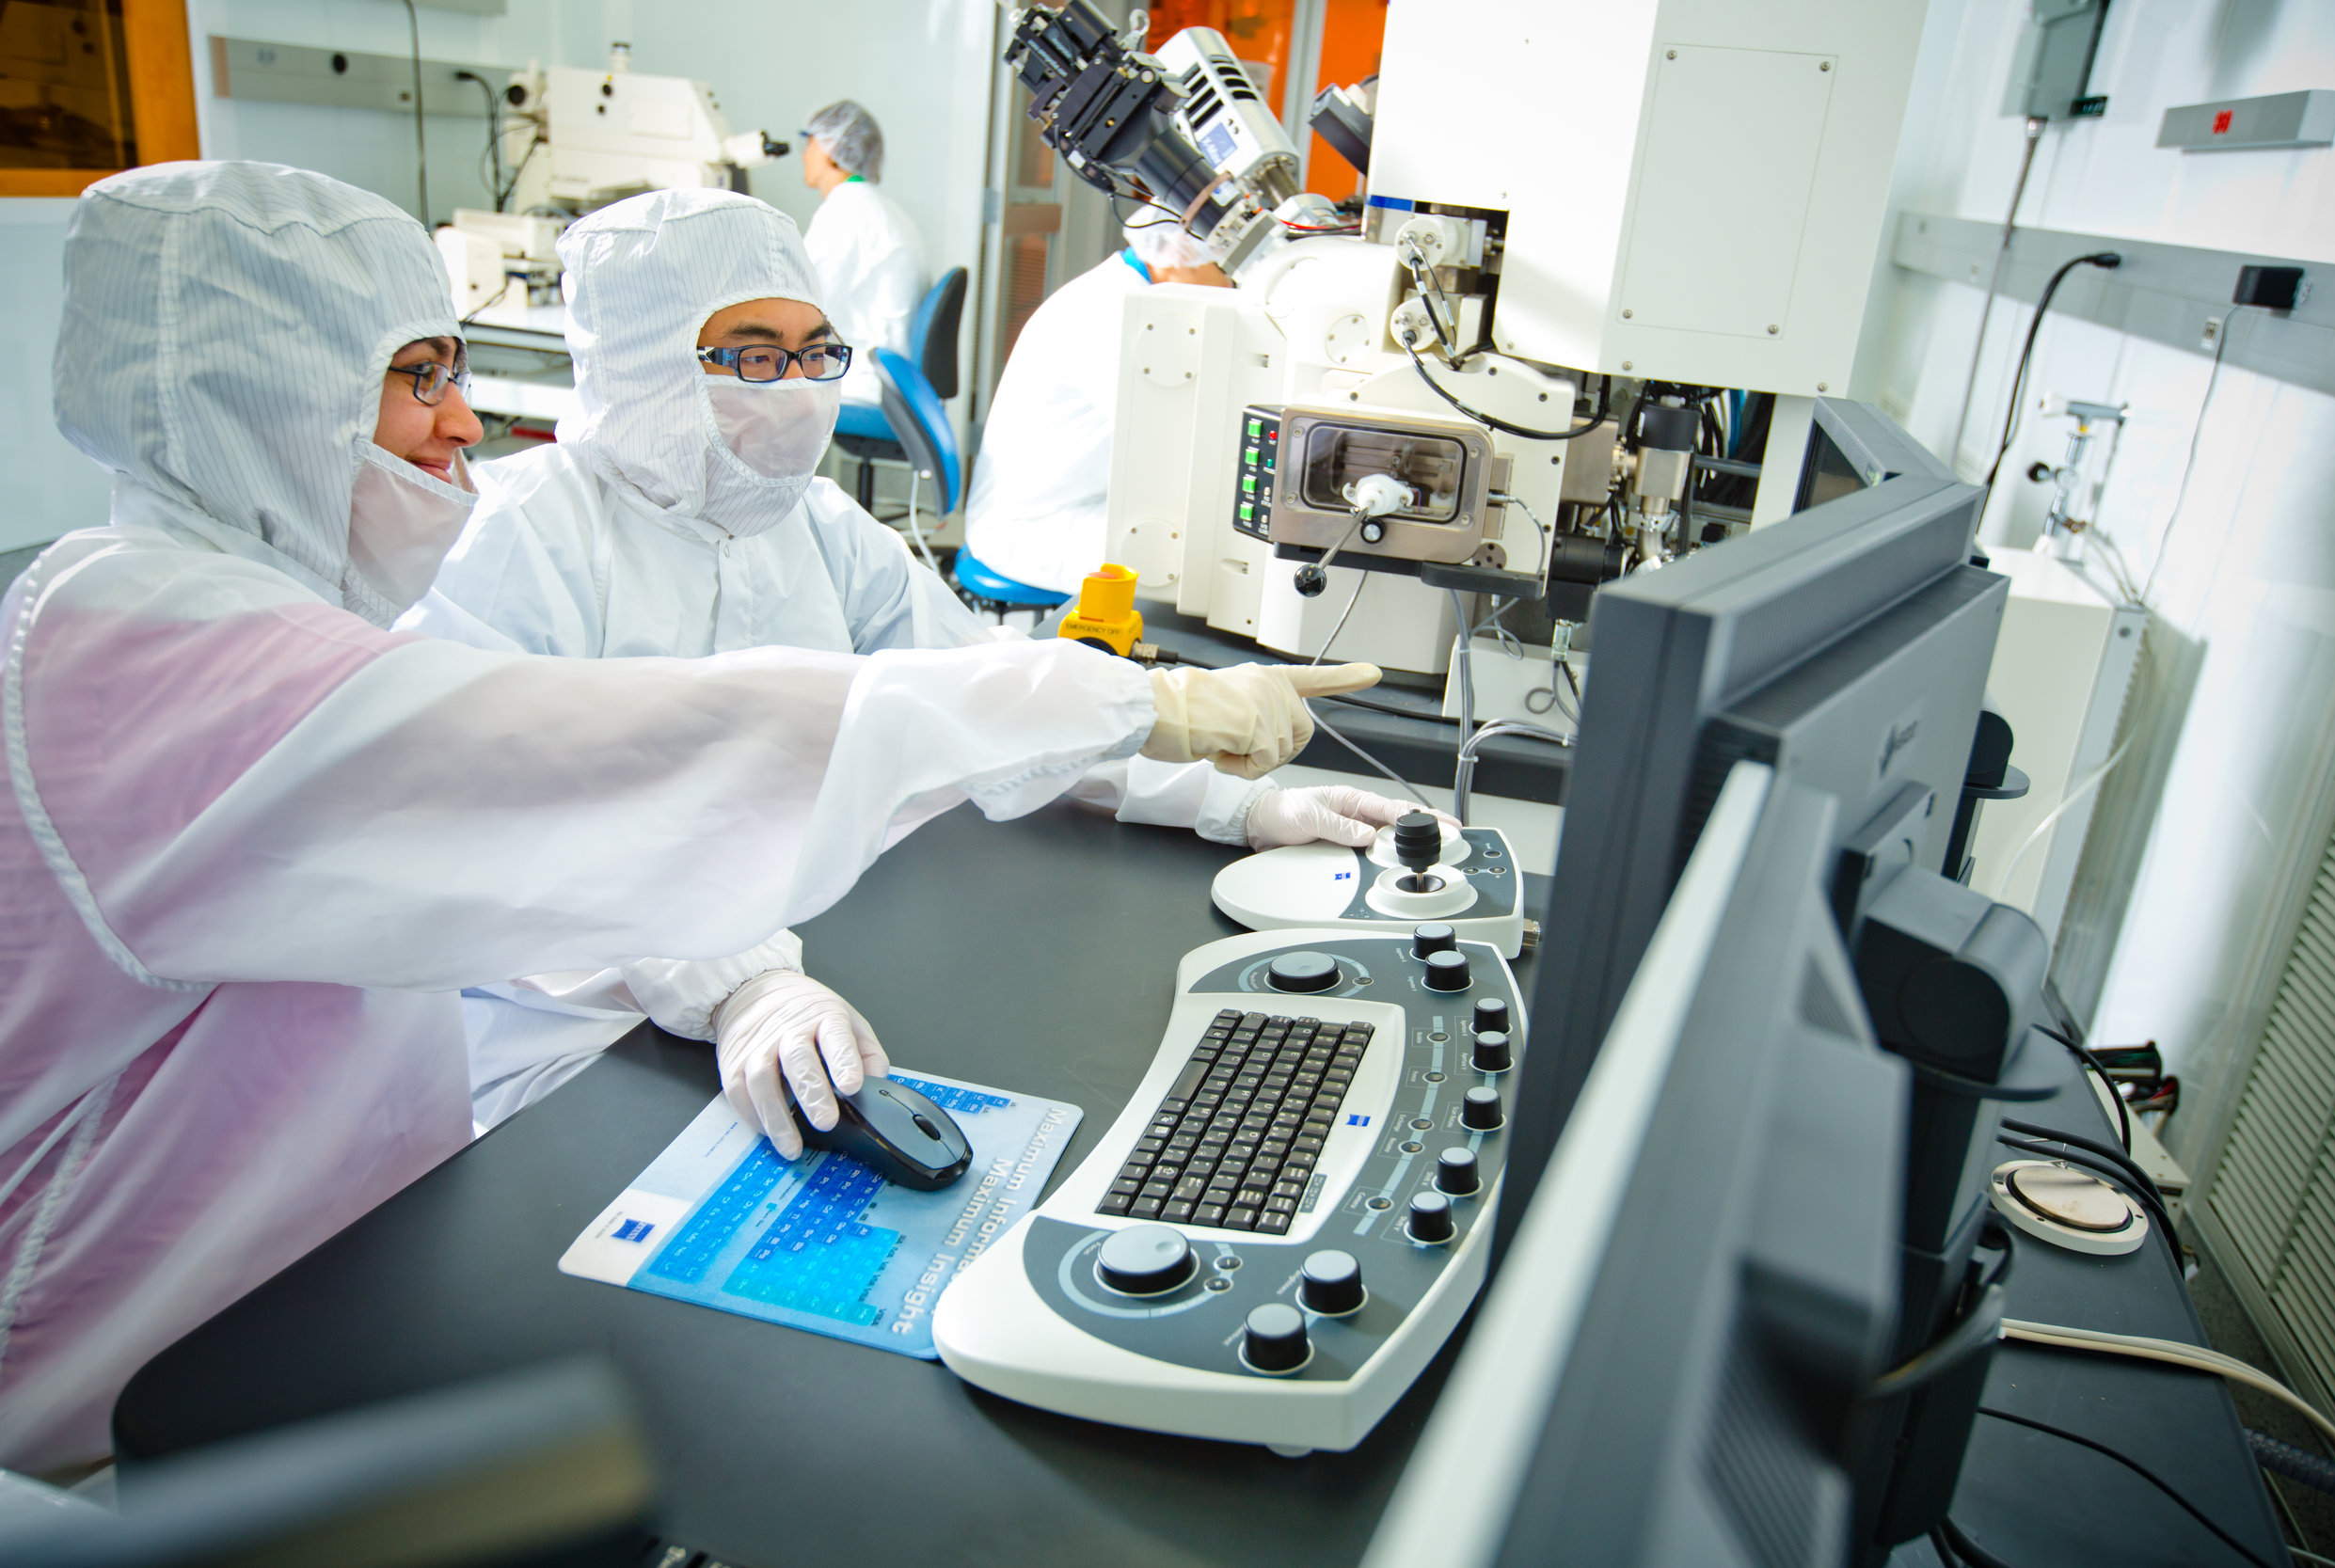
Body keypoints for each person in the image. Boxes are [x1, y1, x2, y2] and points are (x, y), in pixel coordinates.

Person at [0, 160, 1367, 1475]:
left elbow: (911, 681)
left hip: (348, 1275)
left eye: (814, 351)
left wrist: (1229, 792)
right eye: (418, 379)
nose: (467, 423)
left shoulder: (260, 611)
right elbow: (591, 789)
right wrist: (755, 975)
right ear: (265, 396)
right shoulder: (134, 644)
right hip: (119, 1416)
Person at [407, 187, 1424, 1135]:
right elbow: (543, 824)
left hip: (805, 951)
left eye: (818, 354)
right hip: (573, 1028)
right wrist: (734, 982)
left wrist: (1220, 798)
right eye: (755, 358)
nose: (802, 392)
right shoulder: (517, 537)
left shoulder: (808, 518)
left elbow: (969, 686)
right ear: (644, 367)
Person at [961, 211, 1232, 595]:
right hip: (1033, 527)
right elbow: (1169, 441)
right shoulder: (1110, 313)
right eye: (1225, 266)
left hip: (1083, 503)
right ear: (1179, 255)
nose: (1231, 282)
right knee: (1207, 564)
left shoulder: (1128, 294)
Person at [798, 100, 925, 408]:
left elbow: (802, 301)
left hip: (864, 380)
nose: (804, 155)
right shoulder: (876, 208)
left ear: (832, 150)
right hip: (888, 374)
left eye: (810, 143)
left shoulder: (847, 212)